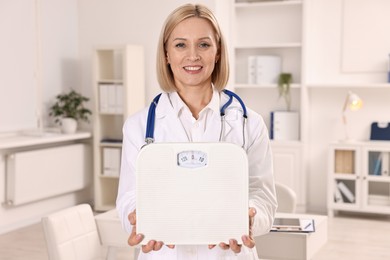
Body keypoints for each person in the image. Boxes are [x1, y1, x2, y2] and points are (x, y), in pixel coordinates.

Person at [116, 3, 277, 260]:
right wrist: (137, 219)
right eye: (180, 45)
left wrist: (247, 220)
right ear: (166, 53)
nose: (193, 56)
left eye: (203, 44)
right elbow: (128, 199)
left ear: (217, 52)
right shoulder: (138, 126)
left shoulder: (249, 123)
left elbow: (264, 199)